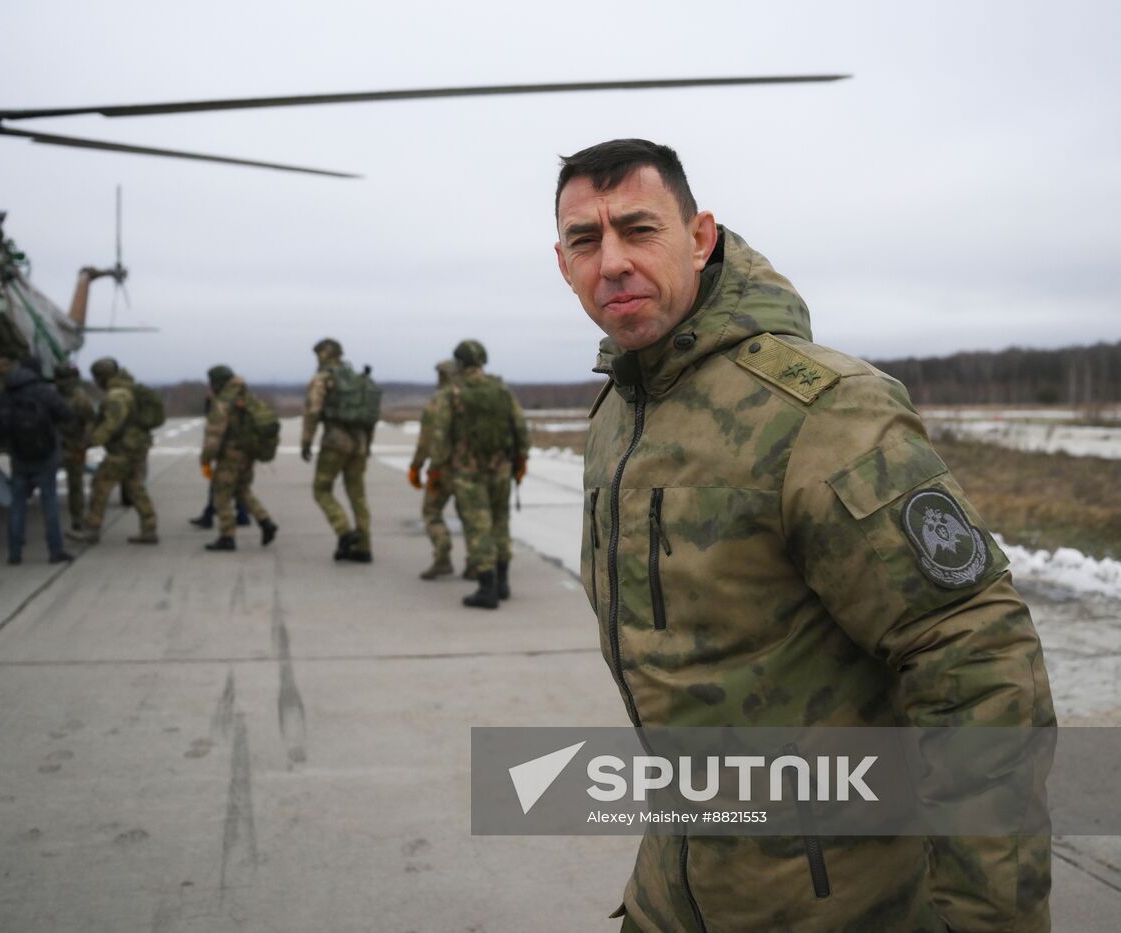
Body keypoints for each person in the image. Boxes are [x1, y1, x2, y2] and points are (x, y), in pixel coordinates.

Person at [554, 139, 1053, 931]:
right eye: (586, 239)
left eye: (639, 230)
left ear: (701, 235)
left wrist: (987, 918)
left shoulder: (820, 410)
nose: (611, 261)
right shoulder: (620, 414)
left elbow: (975, 660)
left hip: (837, 902)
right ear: (562, 261)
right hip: (675, 892)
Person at [427, 340, 529, 609]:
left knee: (477, 526)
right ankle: (503, 582)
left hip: (468, 472)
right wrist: (521, 459)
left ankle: (487, 588)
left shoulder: (454, 392)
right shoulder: (500, 389)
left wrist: (435, 468)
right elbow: (519, 425)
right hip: (501, 468)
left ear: (460, 363)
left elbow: (440, 434)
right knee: (500, 522)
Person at [68, 357, 158, 545]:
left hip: (123, 450)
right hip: (137, 448)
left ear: (101, 377)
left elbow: (110, 425)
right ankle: (149, 529)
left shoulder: (116, 396)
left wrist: (89, 443)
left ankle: (92, 529)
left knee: (100, 485)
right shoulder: (127, 389)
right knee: (135, 488)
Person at [301, 338, 375, 562]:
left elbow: (313, 411)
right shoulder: (357, 378)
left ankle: (344, 532)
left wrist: (306, 441)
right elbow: (370, 415)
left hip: (335, 442)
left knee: (321, 489)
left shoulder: (323, 378)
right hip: (359, 443)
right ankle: (364, 546)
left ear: (323, 354)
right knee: (358, 495)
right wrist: (368, 445)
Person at [0, 358, 73, 565]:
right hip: (46, 456)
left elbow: (0, 426)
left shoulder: (6, 393)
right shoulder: (45, 391)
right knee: (49, 504)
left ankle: (14, 553)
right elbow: (67, 414)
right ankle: (55, 551)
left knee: (17, 505)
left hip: (19, 458)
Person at [198, 365, 278, 551]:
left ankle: (227, 537)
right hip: (248, 454)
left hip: (230, 456)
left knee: (221, 495)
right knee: (242, 491)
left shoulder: (223, 402)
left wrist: (205, 461)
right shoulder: (246, 396)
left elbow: (213, 437)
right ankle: (266, 522)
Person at [409, 359, 470, 580]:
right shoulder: (471, 397)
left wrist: (417, 465)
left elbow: (426, 439)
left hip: (442, 470)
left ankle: (442, 557)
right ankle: (476, 564)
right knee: (470, 517)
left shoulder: (439, 401)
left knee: (432, 513)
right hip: (470, 469)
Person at [190, 391, 251, 531]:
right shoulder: (240, 398)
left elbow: (213, 423)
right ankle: (242, 515)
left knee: (219, 486)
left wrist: (205, 459)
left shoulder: (222, 402)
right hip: (241, 450)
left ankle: (212, 518)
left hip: (228, 452)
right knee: (238, 485)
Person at [53, 362, 96, 531]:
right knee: (75, 485)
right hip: (67, 446)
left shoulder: (79, 399)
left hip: (69, 447)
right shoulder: (79, 397)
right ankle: (77, 518)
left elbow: (89, 423)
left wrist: (83, 444)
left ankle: (77, 518)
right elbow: (91, 422)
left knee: (75, 485)